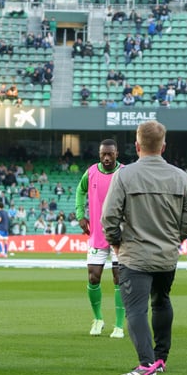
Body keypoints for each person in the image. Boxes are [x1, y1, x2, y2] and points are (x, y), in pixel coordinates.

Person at [101, 121, 187, 375]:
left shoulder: (125, 174)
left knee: (135, 310)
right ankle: (160, 359)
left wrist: (116, 242)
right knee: (162, 301)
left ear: (136, 145)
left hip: (135, 255)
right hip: (167, 255)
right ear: (163, 146)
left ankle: (146, 365)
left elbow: (109, 216)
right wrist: (175, 238)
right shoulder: (180, 176)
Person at [75, 139, 126, 339]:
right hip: (97, 233)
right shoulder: (91, 172)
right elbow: (80, 191)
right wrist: (80, 215)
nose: (106, 157)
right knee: (93, 277)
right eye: (103, 154)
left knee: (119, 278)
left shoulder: (125, 173)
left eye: (110, 154)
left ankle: (119, 325)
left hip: (121, 235)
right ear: (99, 153)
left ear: (116, 154)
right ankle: (98, 319)